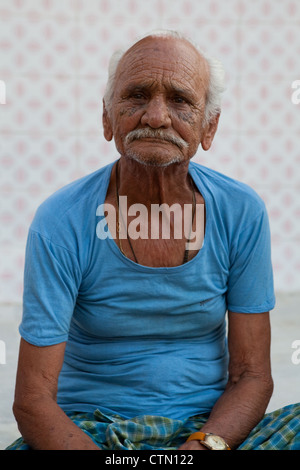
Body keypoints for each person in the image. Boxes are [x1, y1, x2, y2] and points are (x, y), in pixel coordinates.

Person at [7, 30, 300, 451]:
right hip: (90, 428)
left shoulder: (241, 212)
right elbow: (32, 402)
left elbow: (251, 376)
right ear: (107, 118)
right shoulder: (61, 221)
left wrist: (201, 448)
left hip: (207, 426)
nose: (156, 117)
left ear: (209, 126)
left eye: (180, 100)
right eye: (137, 96)